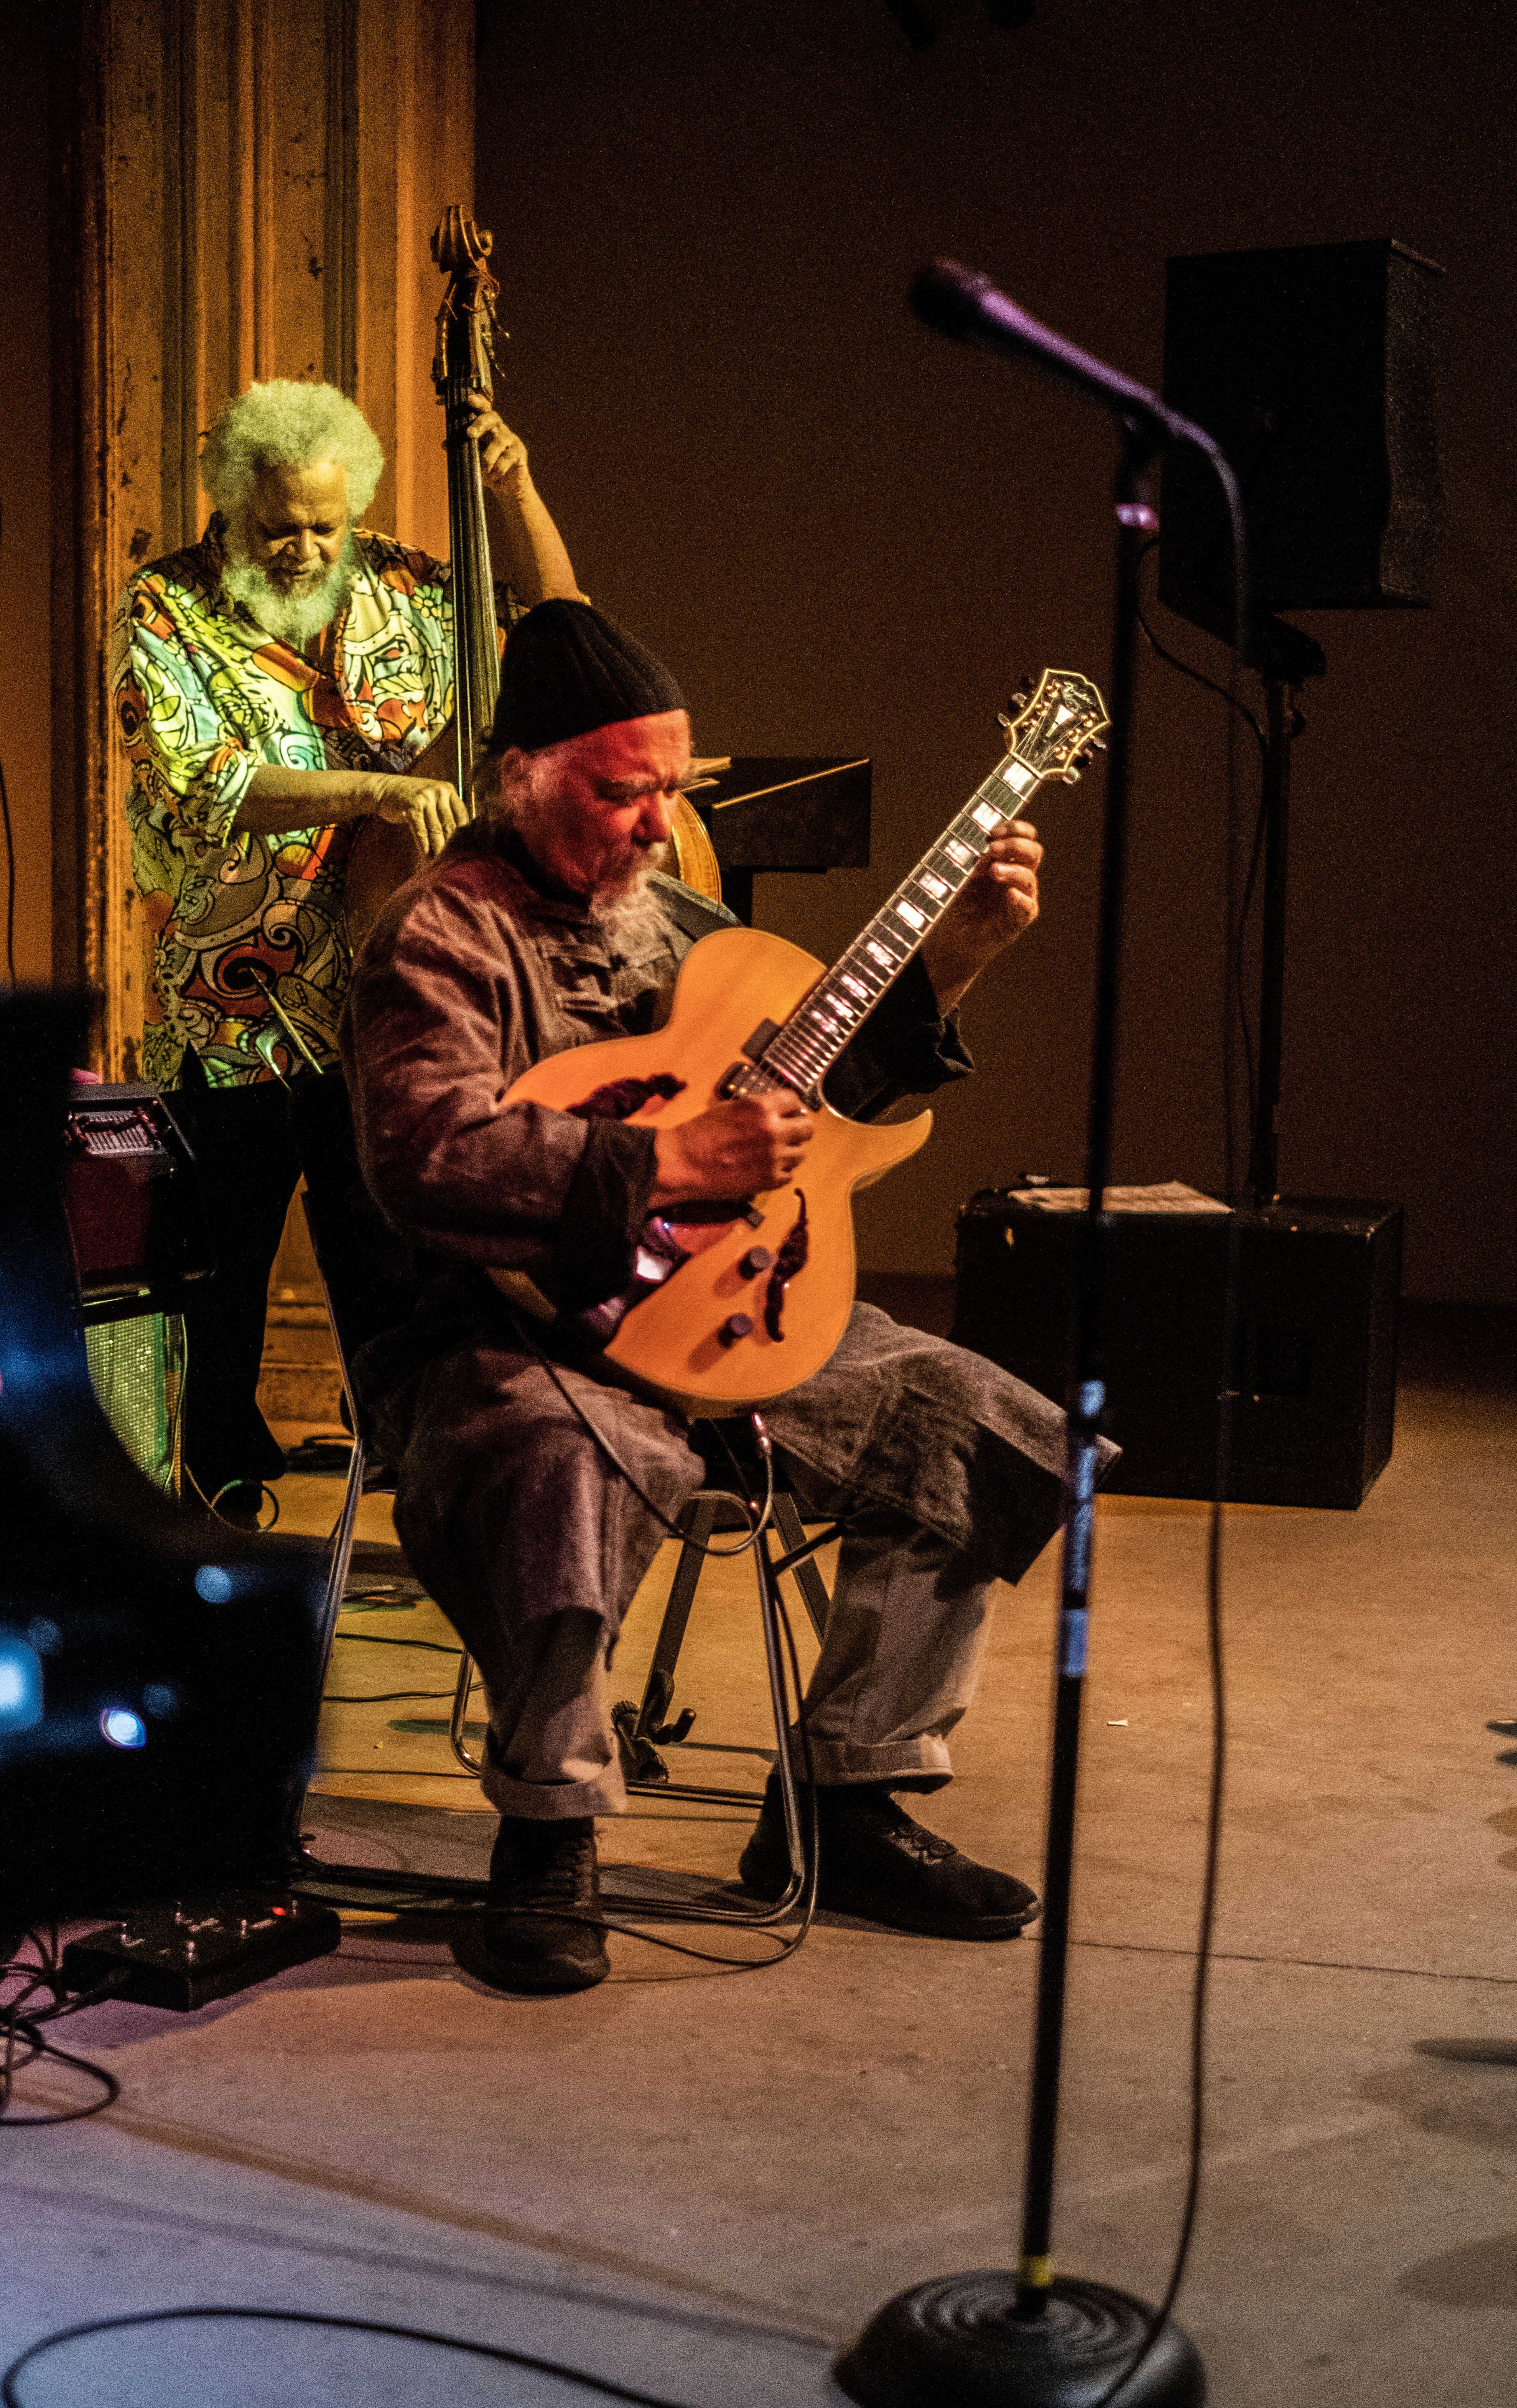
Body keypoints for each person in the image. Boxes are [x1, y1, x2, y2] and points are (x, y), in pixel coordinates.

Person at [347, 601, 1108, 1996]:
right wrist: (663, 1161)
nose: (658, 826)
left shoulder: (680, 918)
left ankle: (847, 1795)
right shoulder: (440, 936)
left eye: (673, 789)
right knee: (563, 1460)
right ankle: (549, 1830)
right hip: (499, 1331)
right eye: (620, 793)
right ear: (519, 776)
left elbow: (813, 1096)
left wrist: (953, 963)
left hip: (734, 1306)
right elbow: (425, 1156)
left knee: (989, 1429)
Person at [111, 377, 582, 1522]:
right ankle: (218, 1503)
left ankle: (420, 1489)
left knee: (393, 1263)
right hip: (238, 999)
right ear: (232, 503)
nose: (308, 549)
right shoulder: (164, 609)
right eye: (282, 527)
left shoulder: (406, 588)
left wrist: (515, 494)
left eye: (327, 525)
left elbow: (565, 636)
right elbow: (208, 783)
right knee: (219, 1267)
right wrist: (376, 791)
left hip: (395, 992)